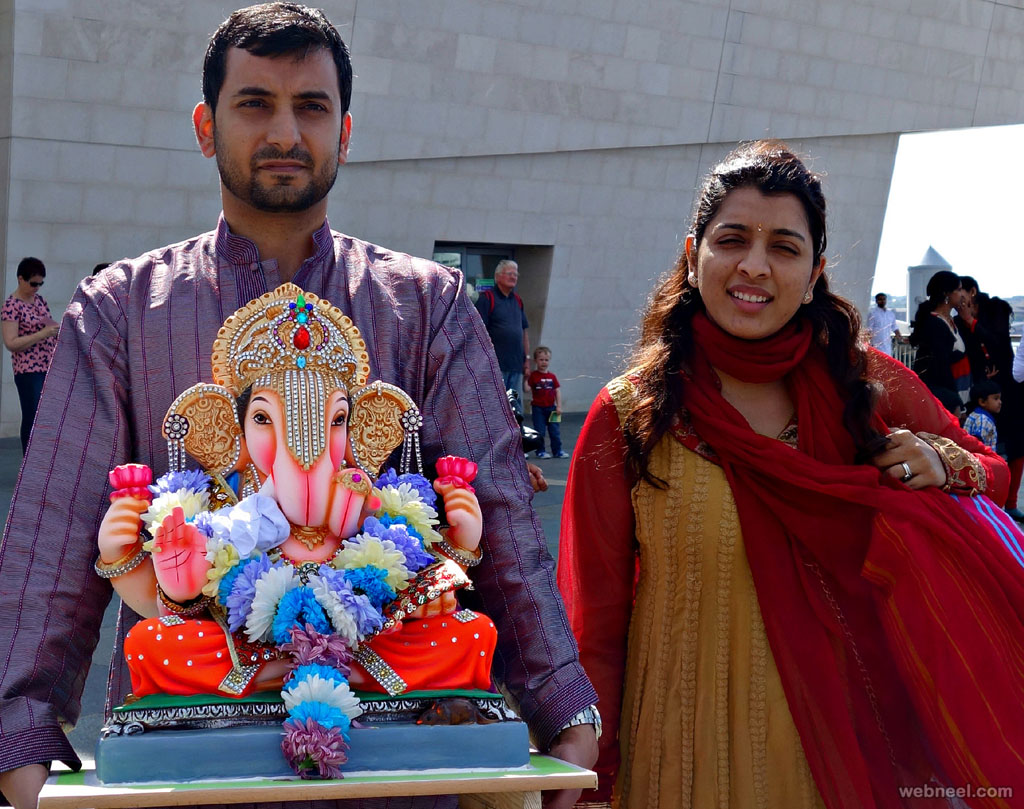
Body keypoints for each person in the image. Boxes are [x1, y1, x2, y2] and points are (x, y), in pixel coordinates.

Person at [0, 5, 597, 808]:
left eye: (310, 107)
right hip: (191, 756)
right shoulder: (124, 309)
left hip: (395, 762)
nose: (286, 131)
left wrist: (563, 703)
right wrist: (21, 734)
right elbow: (52, 534)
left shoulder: (425, 305)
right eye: (256, 104)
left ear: (345, 133)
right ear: (206, 127)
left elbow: (504, 522)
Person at [558, 141, 1024, 808]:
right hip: (679, 759)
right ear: (694, 258)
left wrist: (944, 463)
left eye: (783, 245)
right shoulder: (632, 414)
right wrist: (594, 779)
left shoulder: (865, 385)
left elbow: (994, 473)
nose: (754, 264)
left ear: (814, 274)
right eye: (733, 239)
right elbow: (594, 628)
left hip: (844, 758)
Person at [1, 256, 60, 453]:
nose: (37, 287)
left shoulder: (39, 301)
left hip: (47, 366)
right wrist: (42, 334)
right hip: (28, 370)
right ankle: (29, 460)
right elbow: (11, 342)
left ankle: (42, 458)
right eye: (33, 283)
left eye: (40, 283)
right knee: (32, 415)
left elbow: (51, 326)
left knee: (46, 416)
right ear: (20, 279)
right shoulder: (11, 306)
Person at [908, 269, 972, 408]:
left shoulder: (951, 321)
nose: (962, 294)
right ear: (946, 294)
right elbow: (940, 366)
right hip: (947, 398)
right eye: (959, 289)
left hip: (958, 392)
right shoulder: (935, 324)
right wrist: (955, 401)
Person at [475, 260, 530, 393]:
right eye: (509, 273)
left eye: (516, 274)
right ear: (498, 277)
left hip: (516, 366)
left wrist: (527, 359)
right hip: (494, 367)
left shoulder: (518, 300)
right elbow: (477, 332)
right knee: (495, 408)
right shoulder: (487, 299)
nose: (513, 277)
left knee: (515, 411)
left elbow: (524, 332)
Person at [526, 346, 568, 459]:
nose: (544, 362)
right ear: (536, 361)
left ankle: (557, 451)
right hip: (538, 409)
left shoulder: (552, 376)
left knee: (555, 431)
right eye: (541, 359)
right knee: (540, 431)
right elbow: (527, 389)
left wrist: (559, 406)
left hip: (552, 409)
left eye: (546, 360)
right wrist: (526, 378)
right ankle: (540, 451)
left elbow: (557, 391)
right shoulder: (533, 376)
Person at [963, 380, 1001, 452]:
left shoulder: (974, 415)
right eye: (996, 398)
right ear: (982, 402)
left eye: (1000, 398)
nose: (1000, 402)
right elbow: (979, 445)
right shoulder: (983, 420)